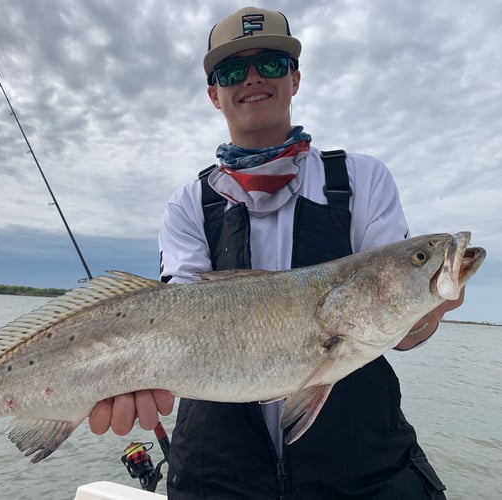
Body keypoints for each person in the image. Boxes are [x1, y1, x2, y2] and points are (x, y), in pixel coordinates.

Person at [90, 6, 464, 499]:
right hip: (216, 475)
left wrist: (428, 305)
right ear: (213, 93)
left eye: (269, 64)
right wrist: (128, 374)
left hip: (362, 473)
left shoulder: (362, 179)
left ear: (294, 78)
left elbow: (402, 333)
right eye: (230, 71)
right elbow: (175, 316)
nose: (251, 79)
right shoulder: (187, 205)